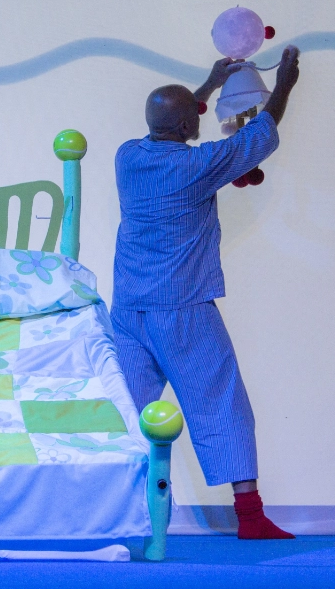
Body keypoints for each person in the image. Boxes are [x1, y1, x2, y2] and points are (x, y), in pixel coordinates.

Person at [111, 46, 300, 540]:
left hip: (128, 309)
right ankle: (251, 518)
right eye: (193, 117)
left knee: (124, 412)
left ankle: (108, 513)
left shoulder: (127, 157)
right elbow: (260, 133)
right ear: (186, 127)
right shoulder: (198, 165)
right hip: (183, 310)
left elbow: (172, 123)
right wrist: (285, 83)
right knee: (221, 403)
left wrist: (211, 84)